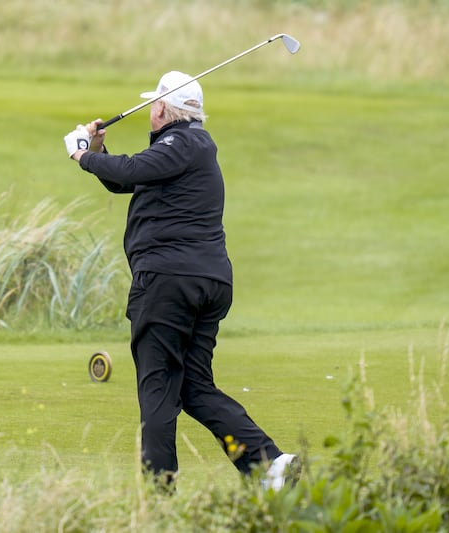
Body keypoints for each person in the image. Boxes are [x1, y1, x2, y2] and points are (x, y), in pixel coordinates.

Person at [63, 71, 299, 491]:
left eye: (154, 104)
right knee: (192, 387)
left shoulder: (185, 142)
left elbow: (134, 167)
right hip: (203, 282)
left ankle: (159, 496)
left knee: (157, 388)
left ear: (160, 108)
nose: (150, 110)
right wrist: (99, 153)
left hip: (169, 283)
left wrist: (83, 156)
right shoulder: (182, 152)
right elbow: (126, 178)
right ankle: (271, 465)